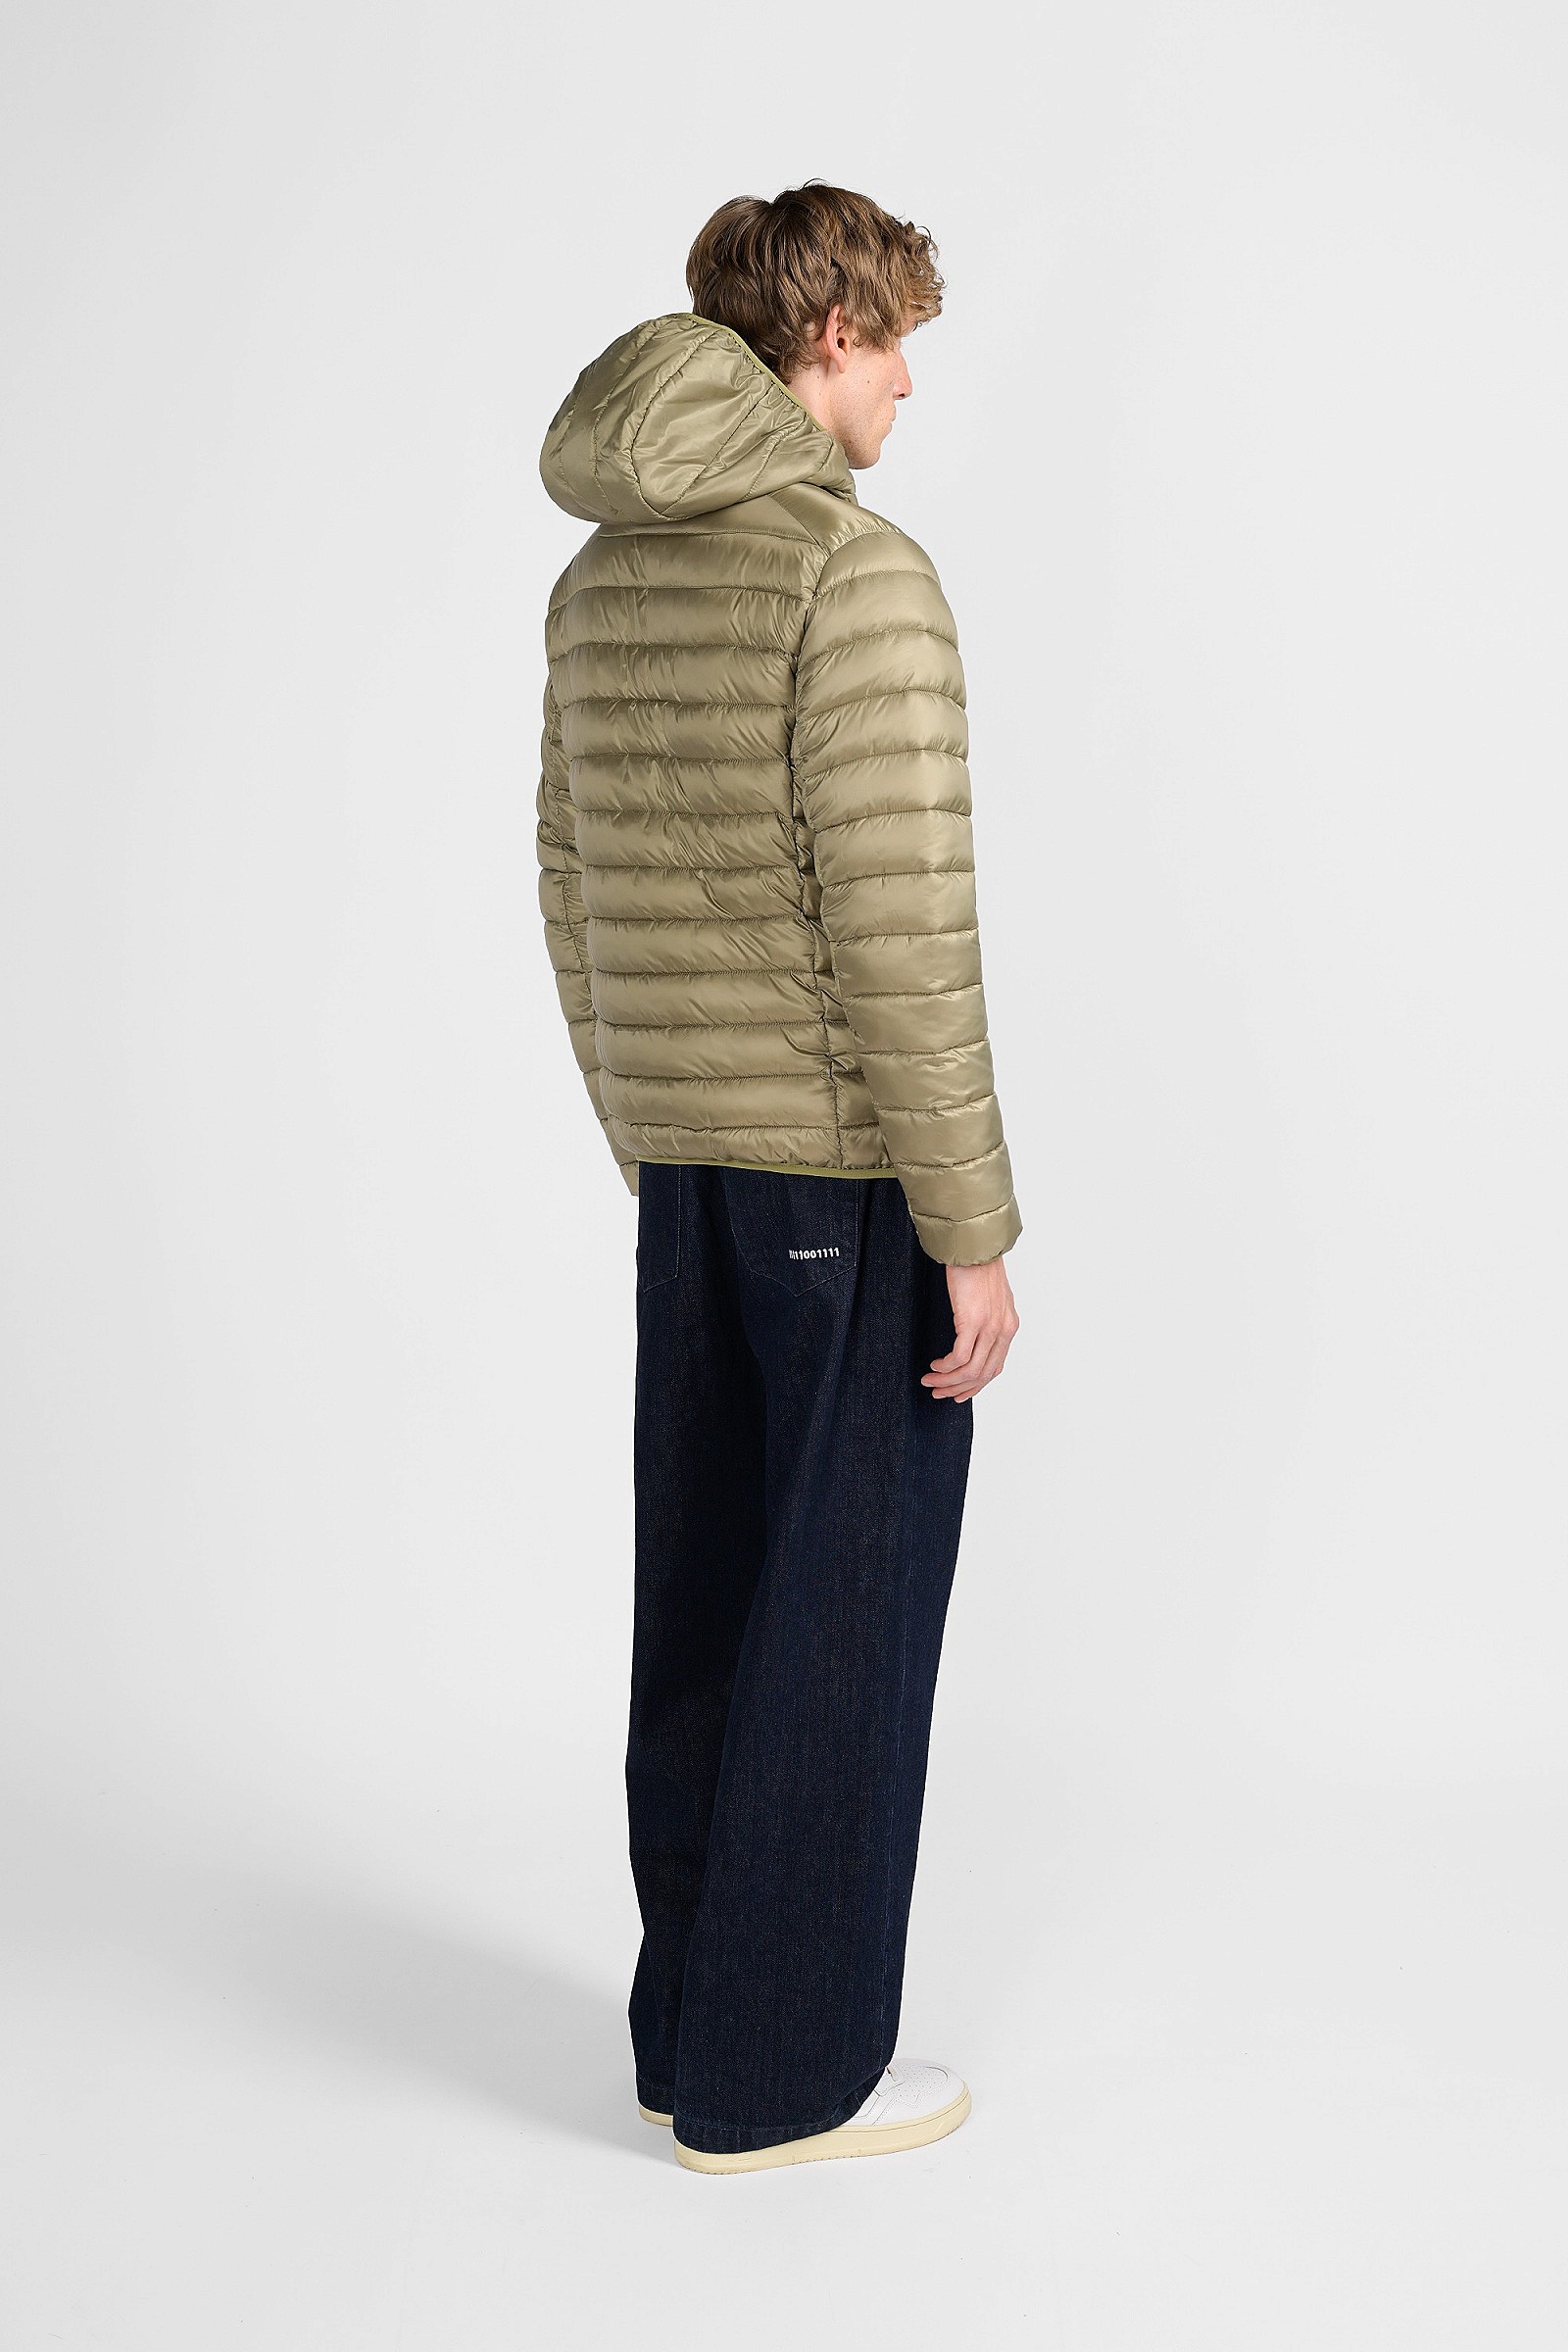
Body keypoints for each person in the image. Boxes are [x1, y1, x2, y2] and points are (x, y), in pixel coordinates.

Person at [535, 181, 1022, 2173]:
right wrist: (969, 1232)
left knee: (712, 1605)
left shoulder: (599, 580)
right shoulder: (853, 575)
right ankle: (783, 2081)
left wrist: (652, 1130)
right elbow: (906, 929)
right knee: (839, 1620)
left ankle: (690, 2039)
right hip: (841, 1173)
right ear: (824, 333)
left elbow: (567, 885)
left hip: (689, 1169)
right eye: (893, 338)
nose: (907, 382)